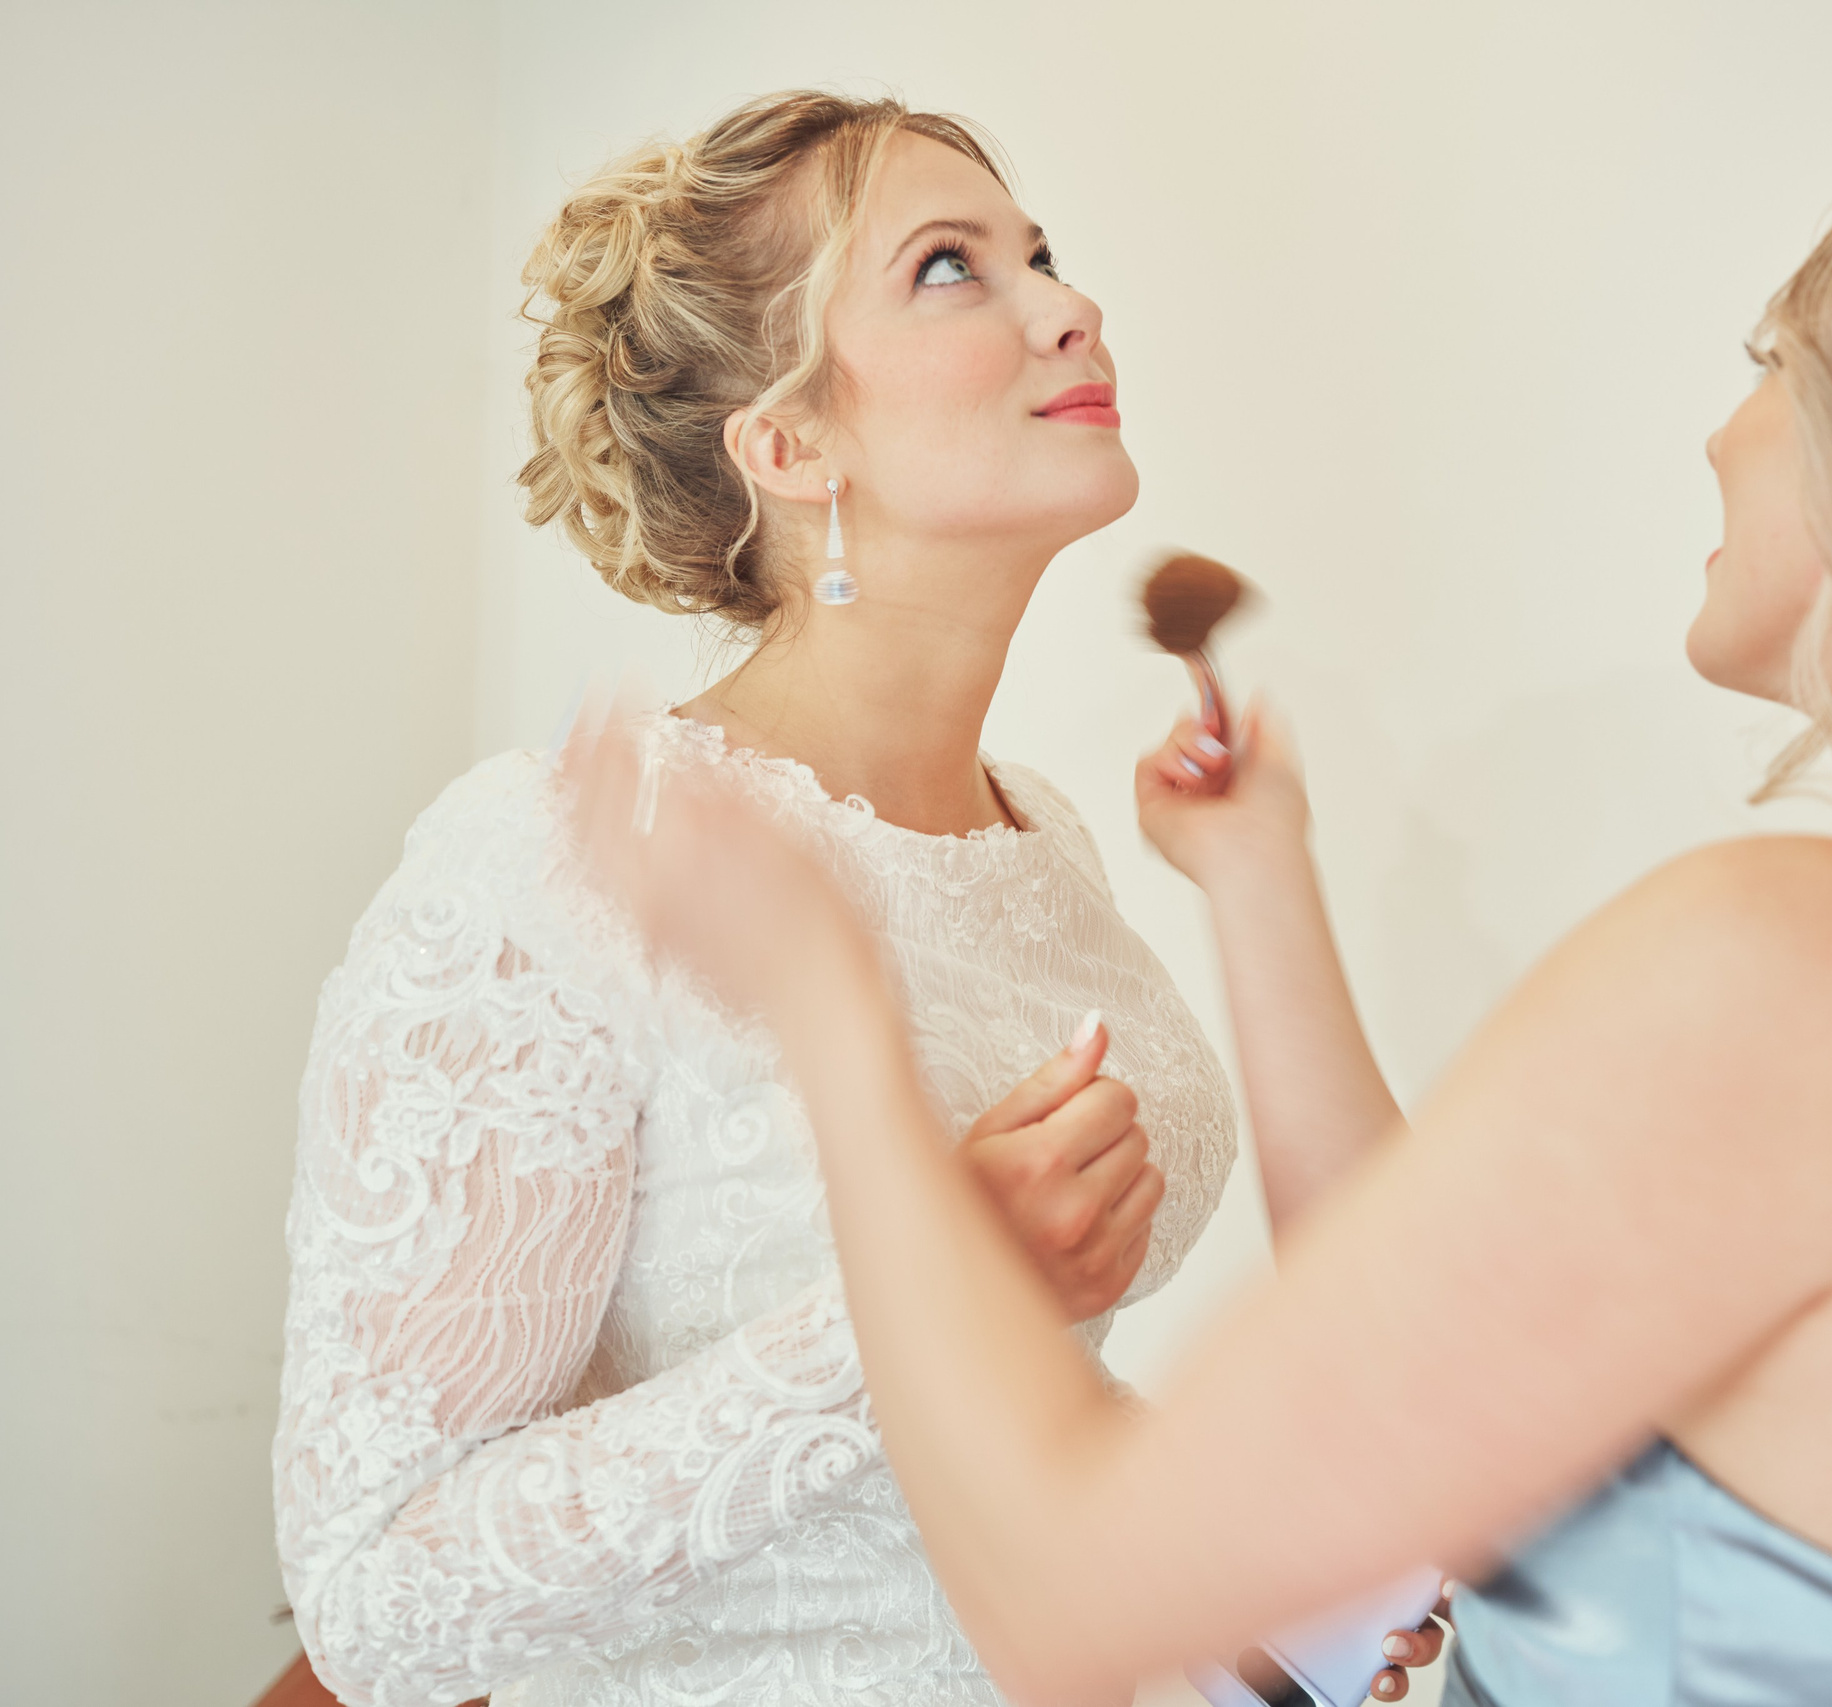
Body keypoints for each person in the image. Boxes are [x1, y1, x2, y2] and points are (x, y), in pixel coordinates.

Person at [562, 115, 1832, 1707]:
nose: (1723, 441)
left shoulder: (1797, 967)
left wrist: (830, 1004)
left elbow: (1071, 1601)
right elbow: (1490, 1335)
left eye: (1769, 370)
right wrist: (1266, 889)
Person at [273, 89, 1322, 1707]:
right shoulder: (554, 863)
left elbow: (1012, 1441)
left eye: (1041, 252)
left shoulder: (1042, 843)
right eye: (953, 269)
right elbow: (381, 1599)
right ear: (788, 442)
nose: (1070, 304)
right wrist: (924, 1302)